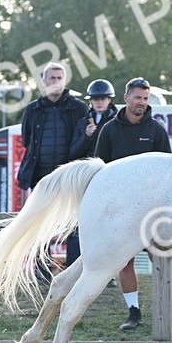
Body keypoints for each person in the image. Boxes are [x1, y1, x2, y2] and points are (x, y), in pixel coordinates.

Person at [94, 77, 172, 333]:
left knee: (161, 259)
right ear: (126, 98)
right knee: (125, 262)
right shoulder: (109, 130)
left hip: (152, 210)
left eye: (145, 99)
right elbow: (101, 171)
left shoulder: (156, 130)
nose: (142, 103)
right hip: (121, 211)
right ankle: (133, 312)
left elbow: (169, 172)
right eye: (137, 98)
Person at [65, 79, 117, 267]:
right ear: (91, 101)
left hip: (111, 180)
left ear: (110, 100)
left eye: (103, 98)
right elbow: (73, 153)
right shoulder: (83, 124)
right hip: (87, 181)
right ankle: (73, 266)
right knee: (79, 226)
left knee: (108, 227)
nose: (99, 102)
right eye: (96, 99)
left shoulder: (117, 122)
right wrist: (86, 136)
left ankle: (107, 271)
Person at [16, 61, 87, 195]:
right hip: (39, 177)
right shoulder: (32, 110)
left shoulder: (79, 108)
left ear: (64, 81)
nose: (56, 81)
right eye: (52, 78)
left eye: (59, 78)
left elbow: (85, 140)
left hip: (69, 175)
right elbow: (27, 141)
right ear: (44, 82)